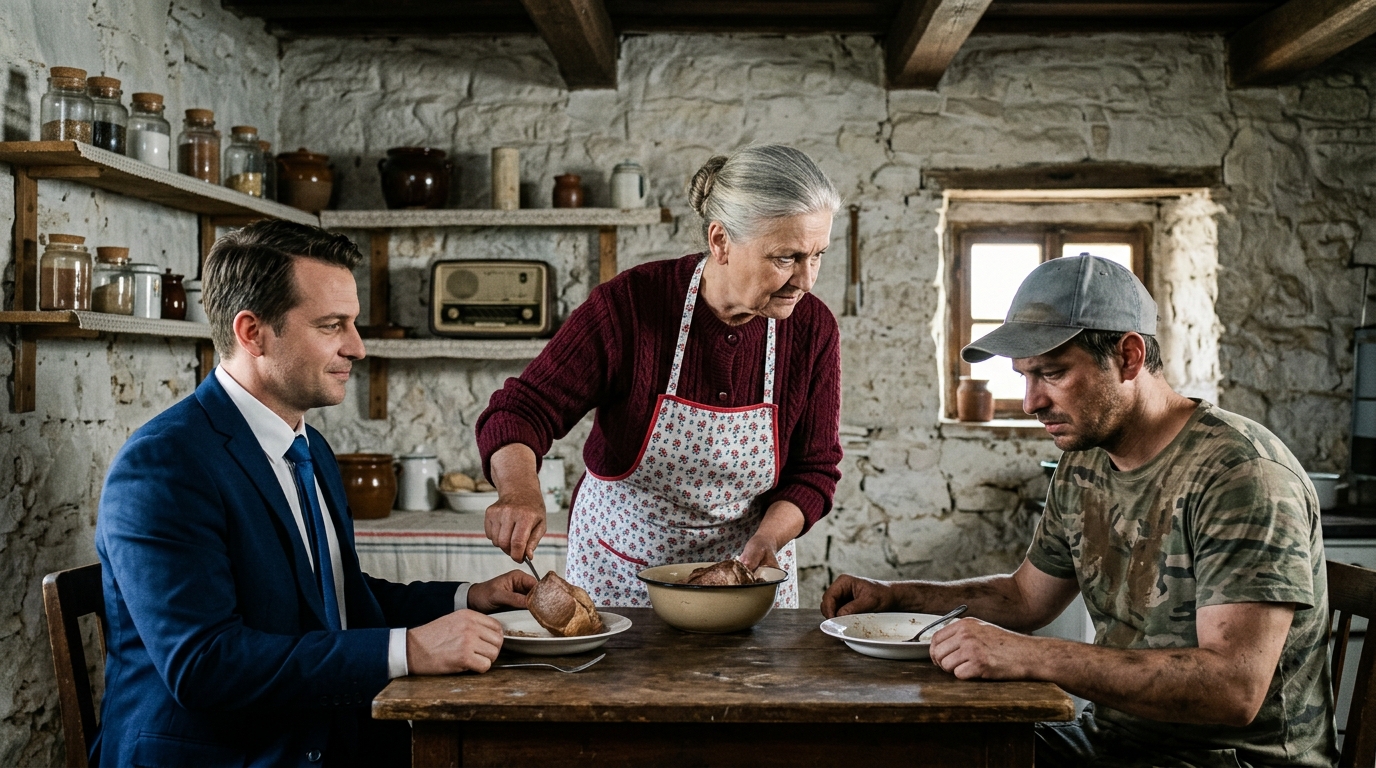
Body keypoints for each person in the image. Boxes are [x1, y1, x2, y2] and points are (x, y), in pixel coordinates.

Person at [822, 255, 1337, 767]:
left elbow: (1233, 689)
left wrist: (1027, 655)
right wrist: (894, 596)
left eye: (1052, 373)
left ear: (1129, 357)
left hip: (1229, 760)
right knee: (907, 750)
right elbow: (1025, 598)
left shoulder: (1241, 476)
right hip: (1111, 744)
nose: (1030, 402)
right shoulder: (1086, 459)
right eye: (1024, 376)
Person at [94, 220, 535, 767]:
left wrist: (467, 598)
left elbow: (333, 597)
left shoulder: (310, 447)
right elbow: (206, 665)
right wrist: (411, 649)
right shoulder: (164, 464)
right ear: (252, 332)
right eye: (332, 325)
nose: (358, 347)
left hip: (313, 736)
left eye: (352, 323)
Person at [477, 144, 844, 607]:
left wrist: (770, 539)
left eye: (818, 255)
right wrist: (519, 490)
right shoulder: (630, 305)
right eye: (786, 258)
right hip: (621, 569)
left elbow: (813, 469)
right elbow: (523, 409)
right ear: (720, 241)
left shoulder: (813, 330)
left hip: (745, 575)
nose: (807, 280)